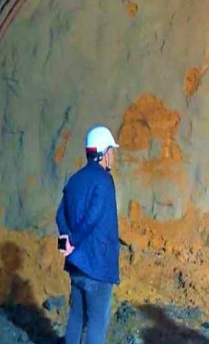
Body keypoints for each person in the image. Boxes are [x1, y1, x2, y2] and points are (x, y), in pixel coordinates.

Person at [56, 125, 121, 344]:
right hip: (97, 266)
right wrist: (73, 240)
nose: (112, 155)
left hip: (76, 266)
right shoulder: (103, 181)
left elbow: (59, 214)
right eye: (111, 150)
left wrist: (67, 240)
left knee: (75, 318)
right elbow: (94, 215)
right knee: (96, 323)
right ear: (103, 153)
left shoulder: (74, 180)